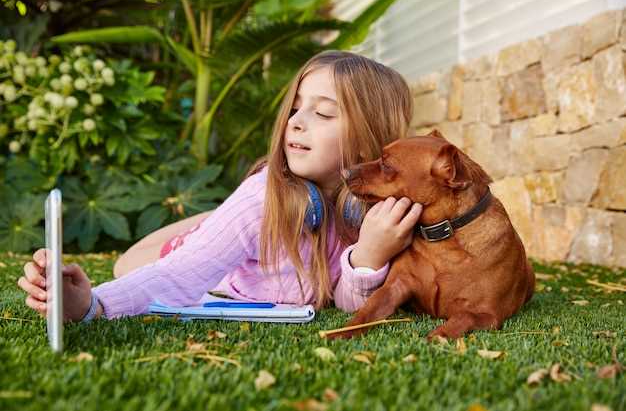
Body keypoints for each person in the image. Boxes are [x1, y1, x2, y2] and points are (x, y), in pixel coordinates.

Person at [17, 50, 423, 323]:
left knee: (226, 222)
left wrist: (369, 253)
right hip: (182, 253)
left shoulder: (372, 213)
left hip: (236, 229)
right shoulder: (261, 202)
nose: (295, 121)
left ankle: (214, 220)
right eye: (296, 107)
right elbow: (178, 274)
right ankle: (212, 222)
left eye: (322, 113)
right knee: (133, 263)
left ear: (370, 136)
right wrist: (92, 305)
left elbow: (346, 299)